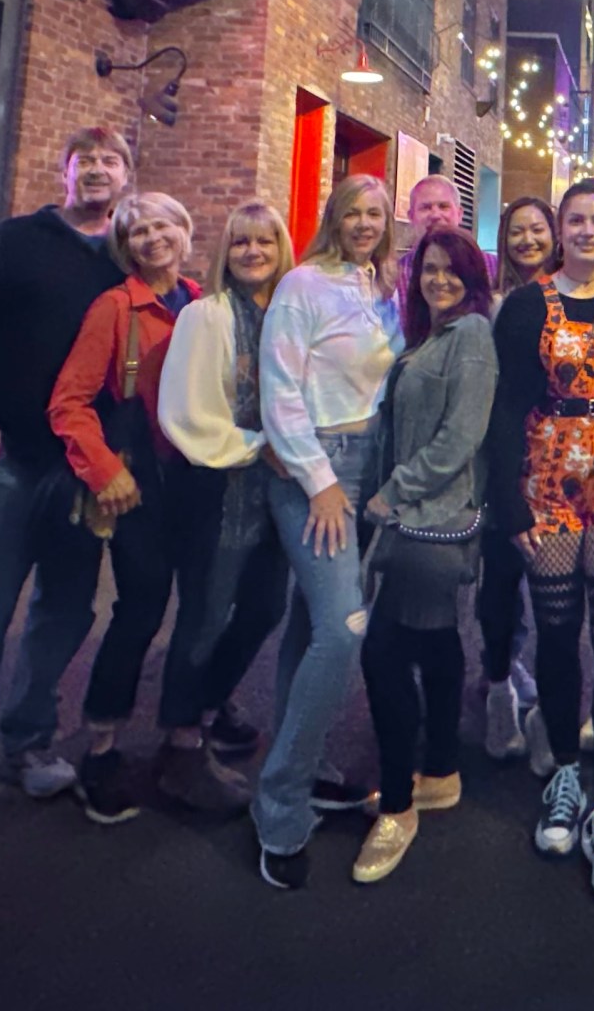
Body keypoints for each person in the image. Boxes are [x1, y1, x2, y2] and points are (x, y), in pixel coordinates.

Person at [0, 128, 132, 853]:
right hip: (8, 460)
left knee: (64, 613)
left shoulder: (125, 257)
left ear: (127, 176)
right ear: (66, 172)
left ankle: (30, 740)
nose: (98, 171)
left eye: (111, 161)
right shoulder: (15, 242)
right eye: (87, 160)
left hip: (80, 468)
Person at [485, 179, 594, 906]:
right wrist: (507, 502)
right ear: (559, 228)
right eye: (575, 220)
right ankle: (562, 779)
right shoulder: (527, 305)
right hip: (549, 474)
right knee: (557, 634)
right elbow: (504, 407)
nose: (587, 230)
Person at [254, 174, 402, 889]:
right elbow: (279, 387)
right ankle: (279, 804)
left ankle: (309, 769)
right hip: (318, 464)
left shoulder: (379, 287)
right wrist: (320, 481)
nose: (365, 223)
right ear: (333, 217)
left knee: (308, 624)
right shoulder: (302, 285)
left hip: (371, 460)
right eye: (354, 211)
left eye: (377, 213)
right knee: (342, 627)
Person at [44, 192, 202, 823]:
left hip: (202, 481)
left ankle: (185, 733)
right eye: (139, 231)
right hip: (142, 483)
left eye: (165, 224)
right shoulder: (115, 308)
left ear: (185, 232)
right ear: (125, 245)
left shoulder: (200, 300)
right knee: (139, 609)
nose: (153, 238)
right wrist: (104, 469)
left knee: (202, 610)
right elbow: (69, 402)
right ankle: (103, 746)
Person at [352, 226, 497, 883]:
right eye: (429, 269)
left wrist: (392, 492)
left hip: (425, 521)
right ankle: (440, 770)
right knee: (435, 646)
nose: (440, 279)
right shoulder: (431, 338)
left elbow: (461, 437)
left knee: (383, 654)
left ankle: (399, 808)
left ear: (474, 276)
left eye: (452, 270)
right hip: (424, 521)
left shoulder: (469, 336)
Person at [155, 204, 301, 812]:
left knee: (266, 606)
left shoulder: (292, 316)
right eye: (240, 242)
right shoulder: (203, 316)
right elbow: (185, 410)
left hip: (280, 489)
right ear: (225, 252)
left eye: (265, 241)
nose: (252, 251)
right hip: (222, 486)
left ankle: (209, 703)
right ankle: (180, 744)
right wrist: (261, 446)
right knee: (206, 613)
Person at [479, 196, 558, 764]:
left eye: (538, 230)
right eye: (517, 232)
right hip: (504, 452)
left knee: (556, 588)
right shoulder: (492, 301)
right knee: (501, 575)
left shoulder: (576, 295)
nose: (528, 240)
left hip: (563, 459)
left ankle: (548, 705)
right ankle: (497, 685)